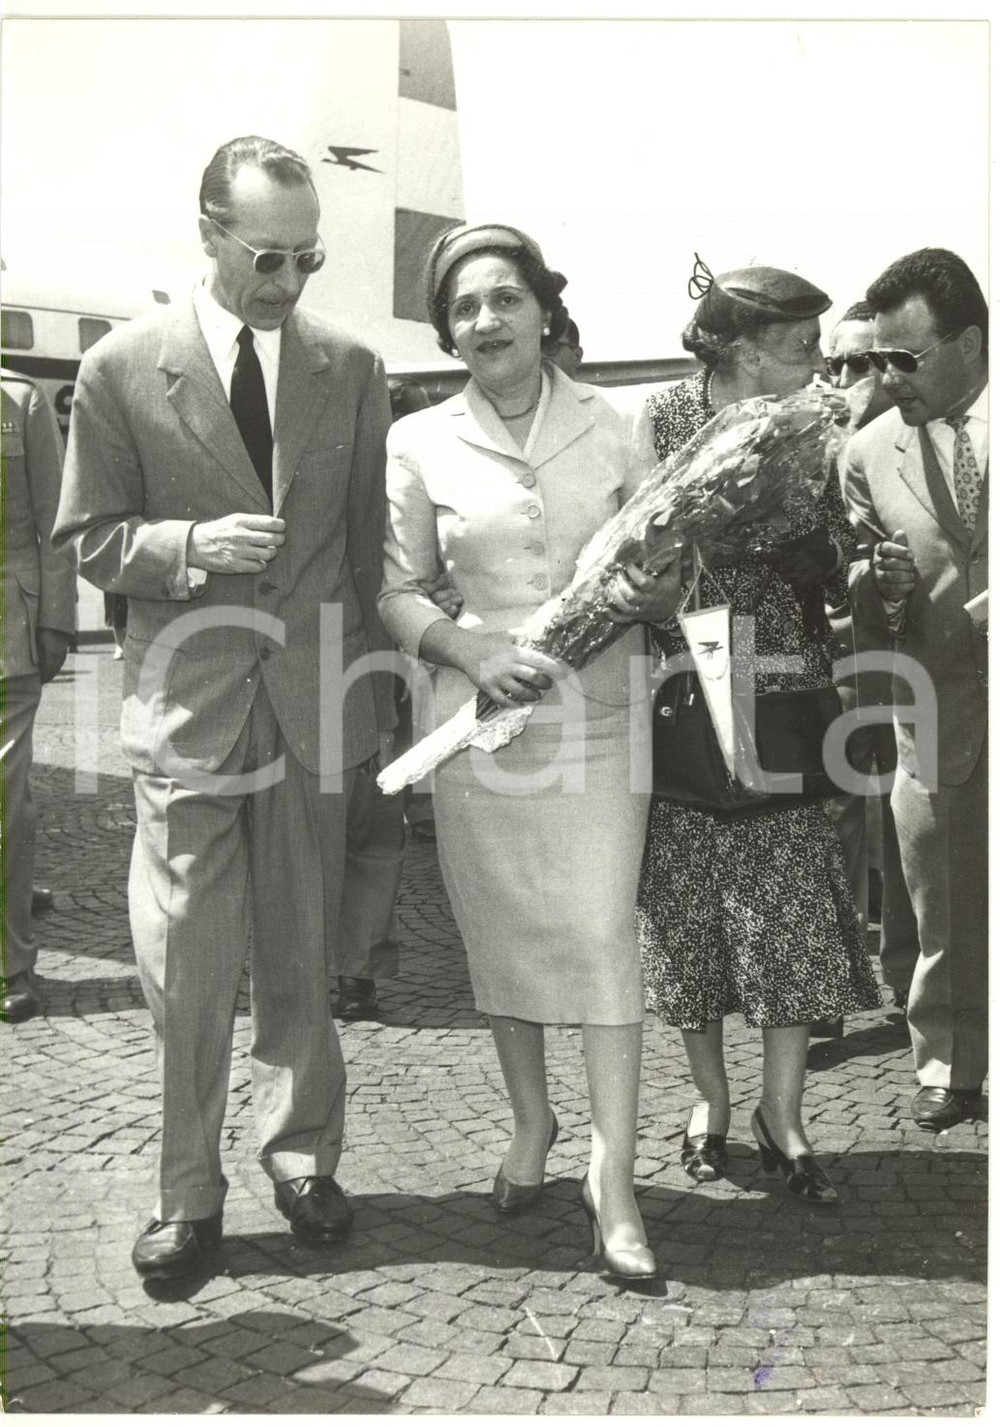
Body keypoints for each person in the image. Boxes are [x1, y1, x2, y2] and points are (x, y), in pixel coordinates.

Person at [54, 135, 394, 1279]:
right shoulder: (120, 367)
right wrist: (188, 546)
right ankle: (185, 1191)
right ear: (206, 233)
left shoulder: (349, 367)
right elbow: (87, 540)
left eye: (309, 259)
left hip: (308, 704)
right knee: (191, 964)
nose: (290, 284)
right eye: (267, 257)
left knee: (302, 948)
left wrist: (365, 701)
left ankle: (301, 1152)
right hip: (190, 707)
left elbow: (355, 553)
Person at [379, 222, 682, 1280]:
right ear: (448, 331)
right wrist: (464, 649)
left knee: (599, 933)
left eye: (504, 298)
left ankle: (614, 1175)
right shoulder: (417, 439)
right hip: (479, 721)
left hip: (599, 712)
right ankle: (529, 1124)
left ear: (544, 310)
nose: (485, 321)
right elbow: (394, 584)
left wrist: (659, 588)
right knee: (500, 929)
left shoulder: (617, 424)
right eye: (464, 307)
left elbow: (663, 555)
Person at [635, 259, 881, 1204]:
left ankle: (786, 1117)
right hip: (690, 682)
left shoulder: (818, 426)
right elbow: (648, 536)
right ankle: (711, 1102)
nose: (819, 362)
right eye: (800, 347)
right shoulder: (663, 416)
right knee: (690, 913)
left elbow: (828, 551)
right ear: (739, 349)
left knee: (790, 913)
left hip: (779, 684)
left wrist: (803, 536)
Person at [843, 248, 987, 1133]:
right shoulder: (865, 452)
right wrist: (879, 584)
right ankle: (950, 1060)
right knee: (942, 893)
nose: (887, 377)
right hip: (937, 710)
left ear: (969, 342)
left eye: (908, 358)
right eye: (879, 359)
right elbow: (856, 585)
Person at [823, 302, 918, 1035]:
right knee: (838, 819)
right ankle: (826, 992)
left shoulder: (908, 445)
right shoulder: (816, 446)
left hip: (910, 657)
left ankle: (909, 983)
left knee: (907, 818)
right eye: (836, 363)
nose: (847, 377)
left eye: (861, 362)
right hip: (835, 656)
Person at [1, 369, 76, 1024]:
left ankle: (10, 965)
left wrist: (56, 617)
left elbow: (55, 521)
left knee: (1, 798)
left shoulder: (18, 400)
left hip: (6, 628)